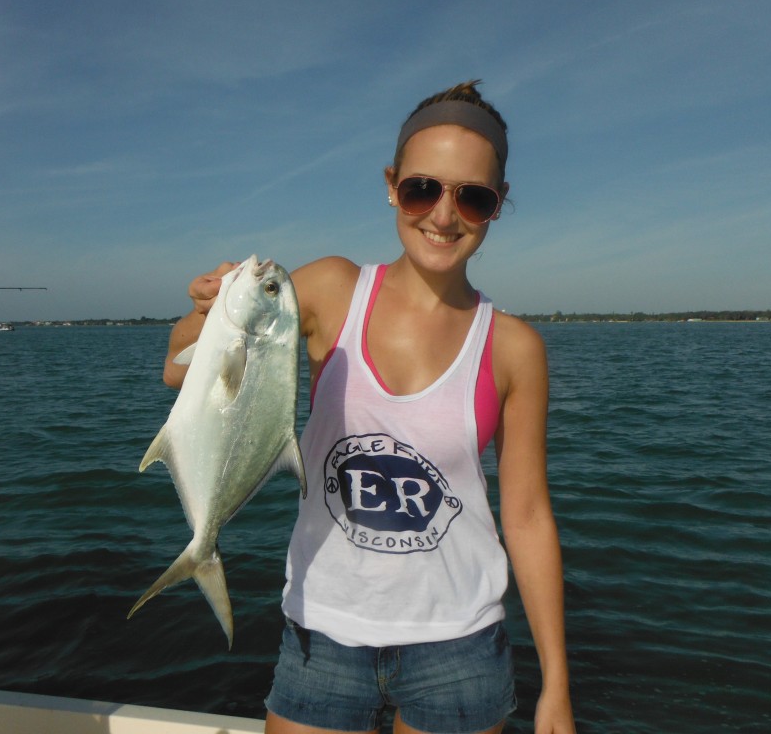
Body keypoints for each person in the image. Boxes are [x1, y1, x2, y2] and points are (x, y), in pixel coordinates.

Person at [163, 81, 576, 734]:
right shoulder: (330, 288)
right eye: (422, 188)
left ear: (497, 207)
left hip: (461, 643)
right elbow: (176, 371)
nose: (444, 215)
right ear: (391, 185)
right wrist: (205, 309)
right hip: (322, 630)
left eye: (473, 196)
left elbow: (526, 516)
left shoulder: (515, 347)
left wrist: (556, 681)